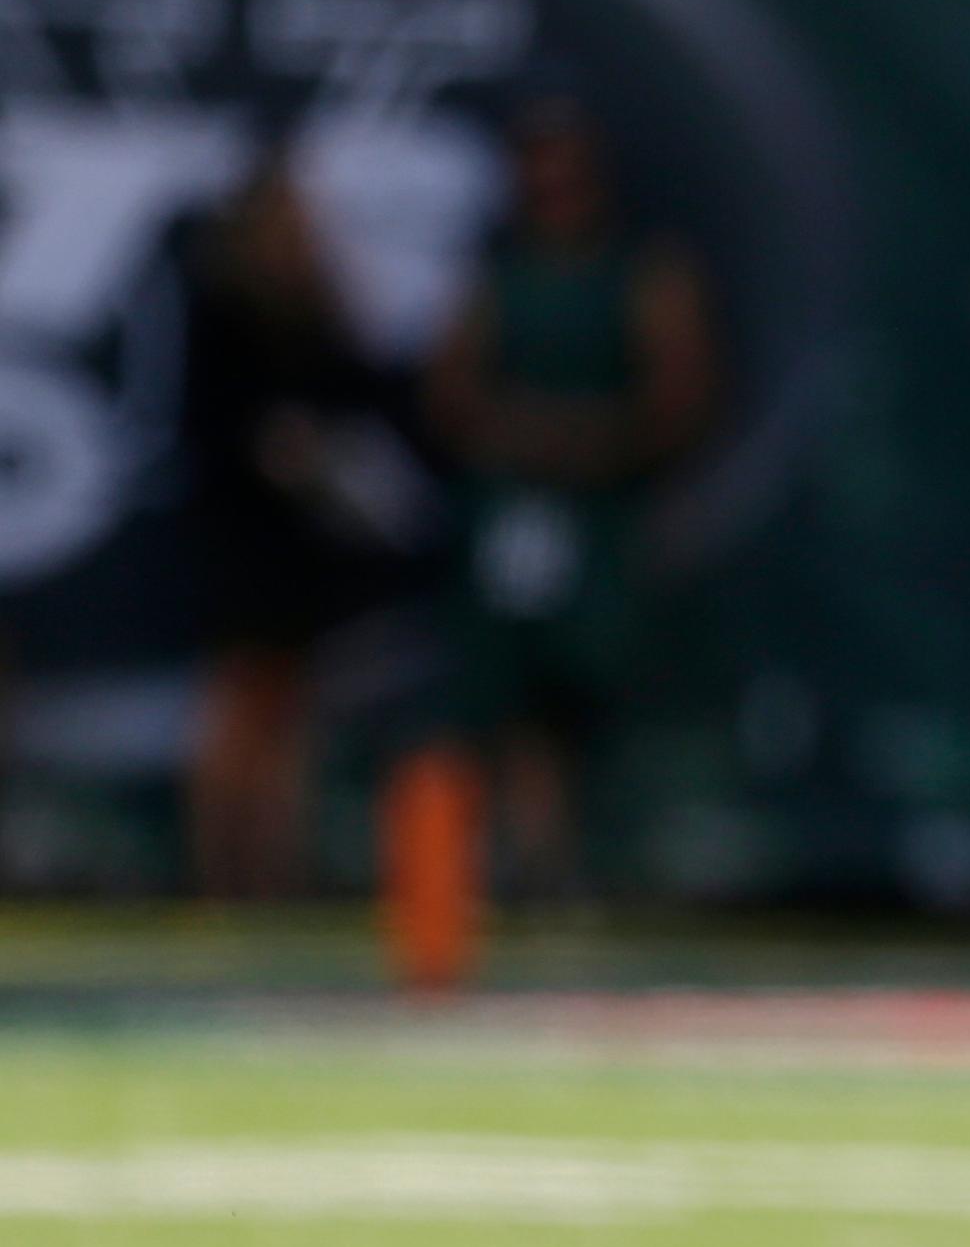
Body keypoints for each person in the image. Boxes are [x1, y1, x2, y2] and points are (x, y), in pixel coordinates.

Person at [423, 90, 722, 901]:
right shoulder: (497, 273)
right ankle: (536, 859)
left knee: (600, 678)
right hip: (513, 518)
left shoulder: (645, 269)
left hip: (606, 517)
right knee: (510, 690)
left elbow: (681, 393)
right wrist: (523, 436)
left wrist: (596, 441)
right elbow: (448, 389)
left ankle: (608, 858)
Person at [178, 161, 442, 900]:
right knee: (241, 705)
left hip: (305, 548)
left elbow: (364, 404)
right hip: (242, 542)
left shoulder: (318, 312)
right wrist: (272, 445)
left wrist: (327, 458)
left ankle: (271, 874)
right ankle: (217, 873)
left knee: (291, 715)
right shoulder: (223, 314)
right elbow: (211, 428)